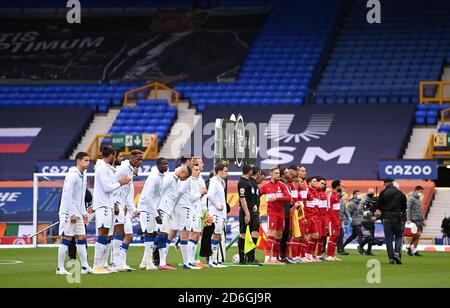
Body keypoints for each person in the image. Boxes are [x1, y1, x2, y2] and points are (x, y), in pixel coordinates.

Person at [92, 147, 131, 274]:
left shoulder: (107, 168)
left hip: (108, 205)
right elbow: (107, 188)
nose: (115, 158)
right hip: (103, 205)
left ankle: (103, 265)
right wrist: (121, 183)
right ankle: (97, 266)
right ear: (111, 156)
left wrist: (113, 203)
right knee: (102, 234)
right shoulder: (102, 168)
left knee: (108, 236)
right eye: (115, 156)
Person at [56, 152, 92, 275]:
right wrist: (71, 213)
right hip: (68, 212)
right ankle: (60, 268)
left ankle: (85, 266)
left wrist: (83, 212)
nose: (88, 163)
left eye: (89, 160)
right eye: (86, 160)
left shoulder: (83, 175)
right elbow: (67, 195)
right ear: (78, 161)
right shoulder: (72, 175)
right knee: (67, 238)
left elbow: (80, 196)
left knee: (82, 237)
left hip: (78, 212)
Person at [111, 150, 143, 271]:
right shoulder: (123, 168)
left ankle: (122, 262)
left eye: (141, 160)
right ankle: (115, 263)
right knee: (119, 233)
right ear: (132, 158)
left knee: (128, 236)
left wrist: (133, 210)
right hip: (117, 205)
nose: (139, 162)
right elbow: (112, 184)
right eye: (138, 159)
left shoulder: (130, 170)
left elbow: (127, 193)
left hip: (124, 206)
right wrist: (114, 204)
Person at [155, 165, 192, 270]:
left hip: (170, 209)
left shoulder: (173, 178)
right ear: (183, 171)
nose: (184, 179)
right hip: (171, 208)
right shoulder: (171, 178)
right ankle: (186, 263)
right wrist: (156, 208)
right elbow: (161, 192)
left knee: (167, 234)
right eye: (185, 177)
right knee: (168, 234)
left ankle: (160, 262)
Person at [137, 157, 169, 270]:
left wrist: (157, 209)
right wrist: (155, 214)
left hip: (151, 209)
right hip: (147, 209)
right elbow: (147, 197)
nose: (166, 166)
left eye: (167, 163)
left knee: (152, 233)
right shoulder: (154, 177)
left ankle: (144, 262)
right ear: (158, 165)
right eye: (164, 164)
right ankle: (149, 263)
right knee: (149, 234)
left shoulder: (160, 177)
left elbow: (155, 197)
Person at [260, 168, 292, 264]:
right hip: (272, 213)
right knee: (272, 233)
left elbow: (289, 197)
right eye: (276, 173)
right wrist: (254, 206)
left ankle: (274, 258)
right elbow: (257, 196)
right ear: (271, 174)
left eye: (279, 173)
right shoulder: (266, 186)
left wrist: (277, 198)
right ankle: (266, 258)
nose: (278, 175)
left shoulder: (282, 185)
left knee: (279, 235)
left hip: (281, 213)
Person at [376, 179, 407, 265]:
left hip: (387, 218)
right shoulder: (400, 193)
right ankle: (397, 253)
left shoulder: (382, 193)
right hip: (397, 218)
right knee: (399, 236)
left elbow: (379, 206)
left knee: (389, 239)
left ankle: (391, 258)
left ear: (386, 184)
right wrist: (400, 212)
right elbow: (404, 207)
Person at [207, 164, 229, 268]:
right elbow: (210, 195)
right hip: (215, 213)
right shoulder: (214, 181)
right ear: (219, 171)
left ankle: (215, 260)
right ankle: (212, 261)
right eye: (225, 171)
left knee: (218, 236)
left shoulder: (221, 182)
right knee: (215, 235)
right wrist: (216, 205)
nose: (227, 173)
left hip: (220, 214)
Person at [188, 157, 208, 268]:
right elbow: (192, 197)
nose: (202, 165)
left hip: (200, 209)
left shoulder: (199, 178)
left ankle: (194, 260)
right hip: (192, 210)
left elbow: (204, 192)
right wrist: (201, 193)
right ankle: (191, 260)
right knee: (193, 234)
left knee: (197, 235)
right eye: (200, 163)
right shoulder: (190, 180)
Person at [237, 164, 255, 265]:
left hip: (250, 210)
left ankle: (248, 258)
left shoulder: (248, 182)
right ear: (250, 171)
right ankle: (241, 259)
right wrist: (247, 213)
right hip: (245, 211)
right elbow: (242, 198)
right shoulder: (242, 182)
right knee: (243, 233)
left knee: (249, 233)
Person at [247, 166, 264, 265]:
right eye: (260, 174)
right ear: (257, 173)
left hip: (254, 213)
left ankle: (250, 257)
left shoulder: (254, 184)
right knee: (252, 234)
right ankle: (250, 258)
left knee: (254, 234)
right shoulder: (251, 184)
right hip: (251, 213)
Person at [326, 180, 343, 261]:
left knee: (336, 236)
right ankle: (328, 255)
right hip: (331, 220)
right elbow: (329, 209)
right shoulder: (331, 196)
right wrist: (334, 220)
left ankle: (332, 255)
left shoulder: (336, 195)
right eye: (340, 185)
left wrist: (338, 220)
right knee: (332, 236)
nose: (341, 187)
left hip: (337, 219)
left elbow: (337, 210)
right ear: (337, 186)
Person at [406, 186, 425, 257]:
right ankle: (409, 247)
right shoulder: (411, 198)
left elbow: (420, 211)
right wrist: (408, 219)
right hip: (414, 219)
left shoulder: (419, 199)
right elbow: (408, 209)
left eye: (421, 192)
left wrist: (423, 220)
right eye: (420, 191)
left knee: (418, 235)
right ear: (416, 190)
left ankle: (413, 249)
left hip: (419, 220)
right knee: (417, 234)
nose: (421, 193)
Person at [359, 188, 378, 256]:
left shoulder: (373, 200)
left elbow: (374, 210)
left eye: (372, 193)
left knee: (371, 237)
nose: (371, 194)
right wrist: (364, 212)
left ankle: (369, 250)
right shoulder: (364, 200)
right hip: (365, 220)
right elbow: (360, 209)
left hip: (371, 220)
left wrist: (375, 215)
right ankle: (360, 246)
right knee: (369, 236)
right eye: (370, 193)